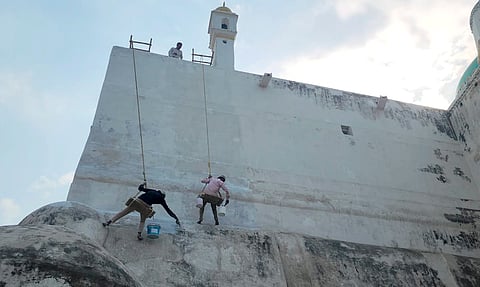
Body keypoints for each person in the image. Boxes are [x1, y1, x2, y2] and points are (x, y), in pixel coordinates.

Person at [103, 183, 180, 240]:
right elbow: (168, 210)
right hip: (145, 207)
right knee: (142, 220)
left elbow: (140, 188)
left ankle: (109, 222)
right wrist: (176, 218)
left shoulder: (153, 191)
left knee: (123, 212)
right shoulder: (162, 199)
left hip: (137, 202)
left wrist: (143, 184)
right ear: (163, 196)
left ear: (159, 191)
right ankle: (139, 234)